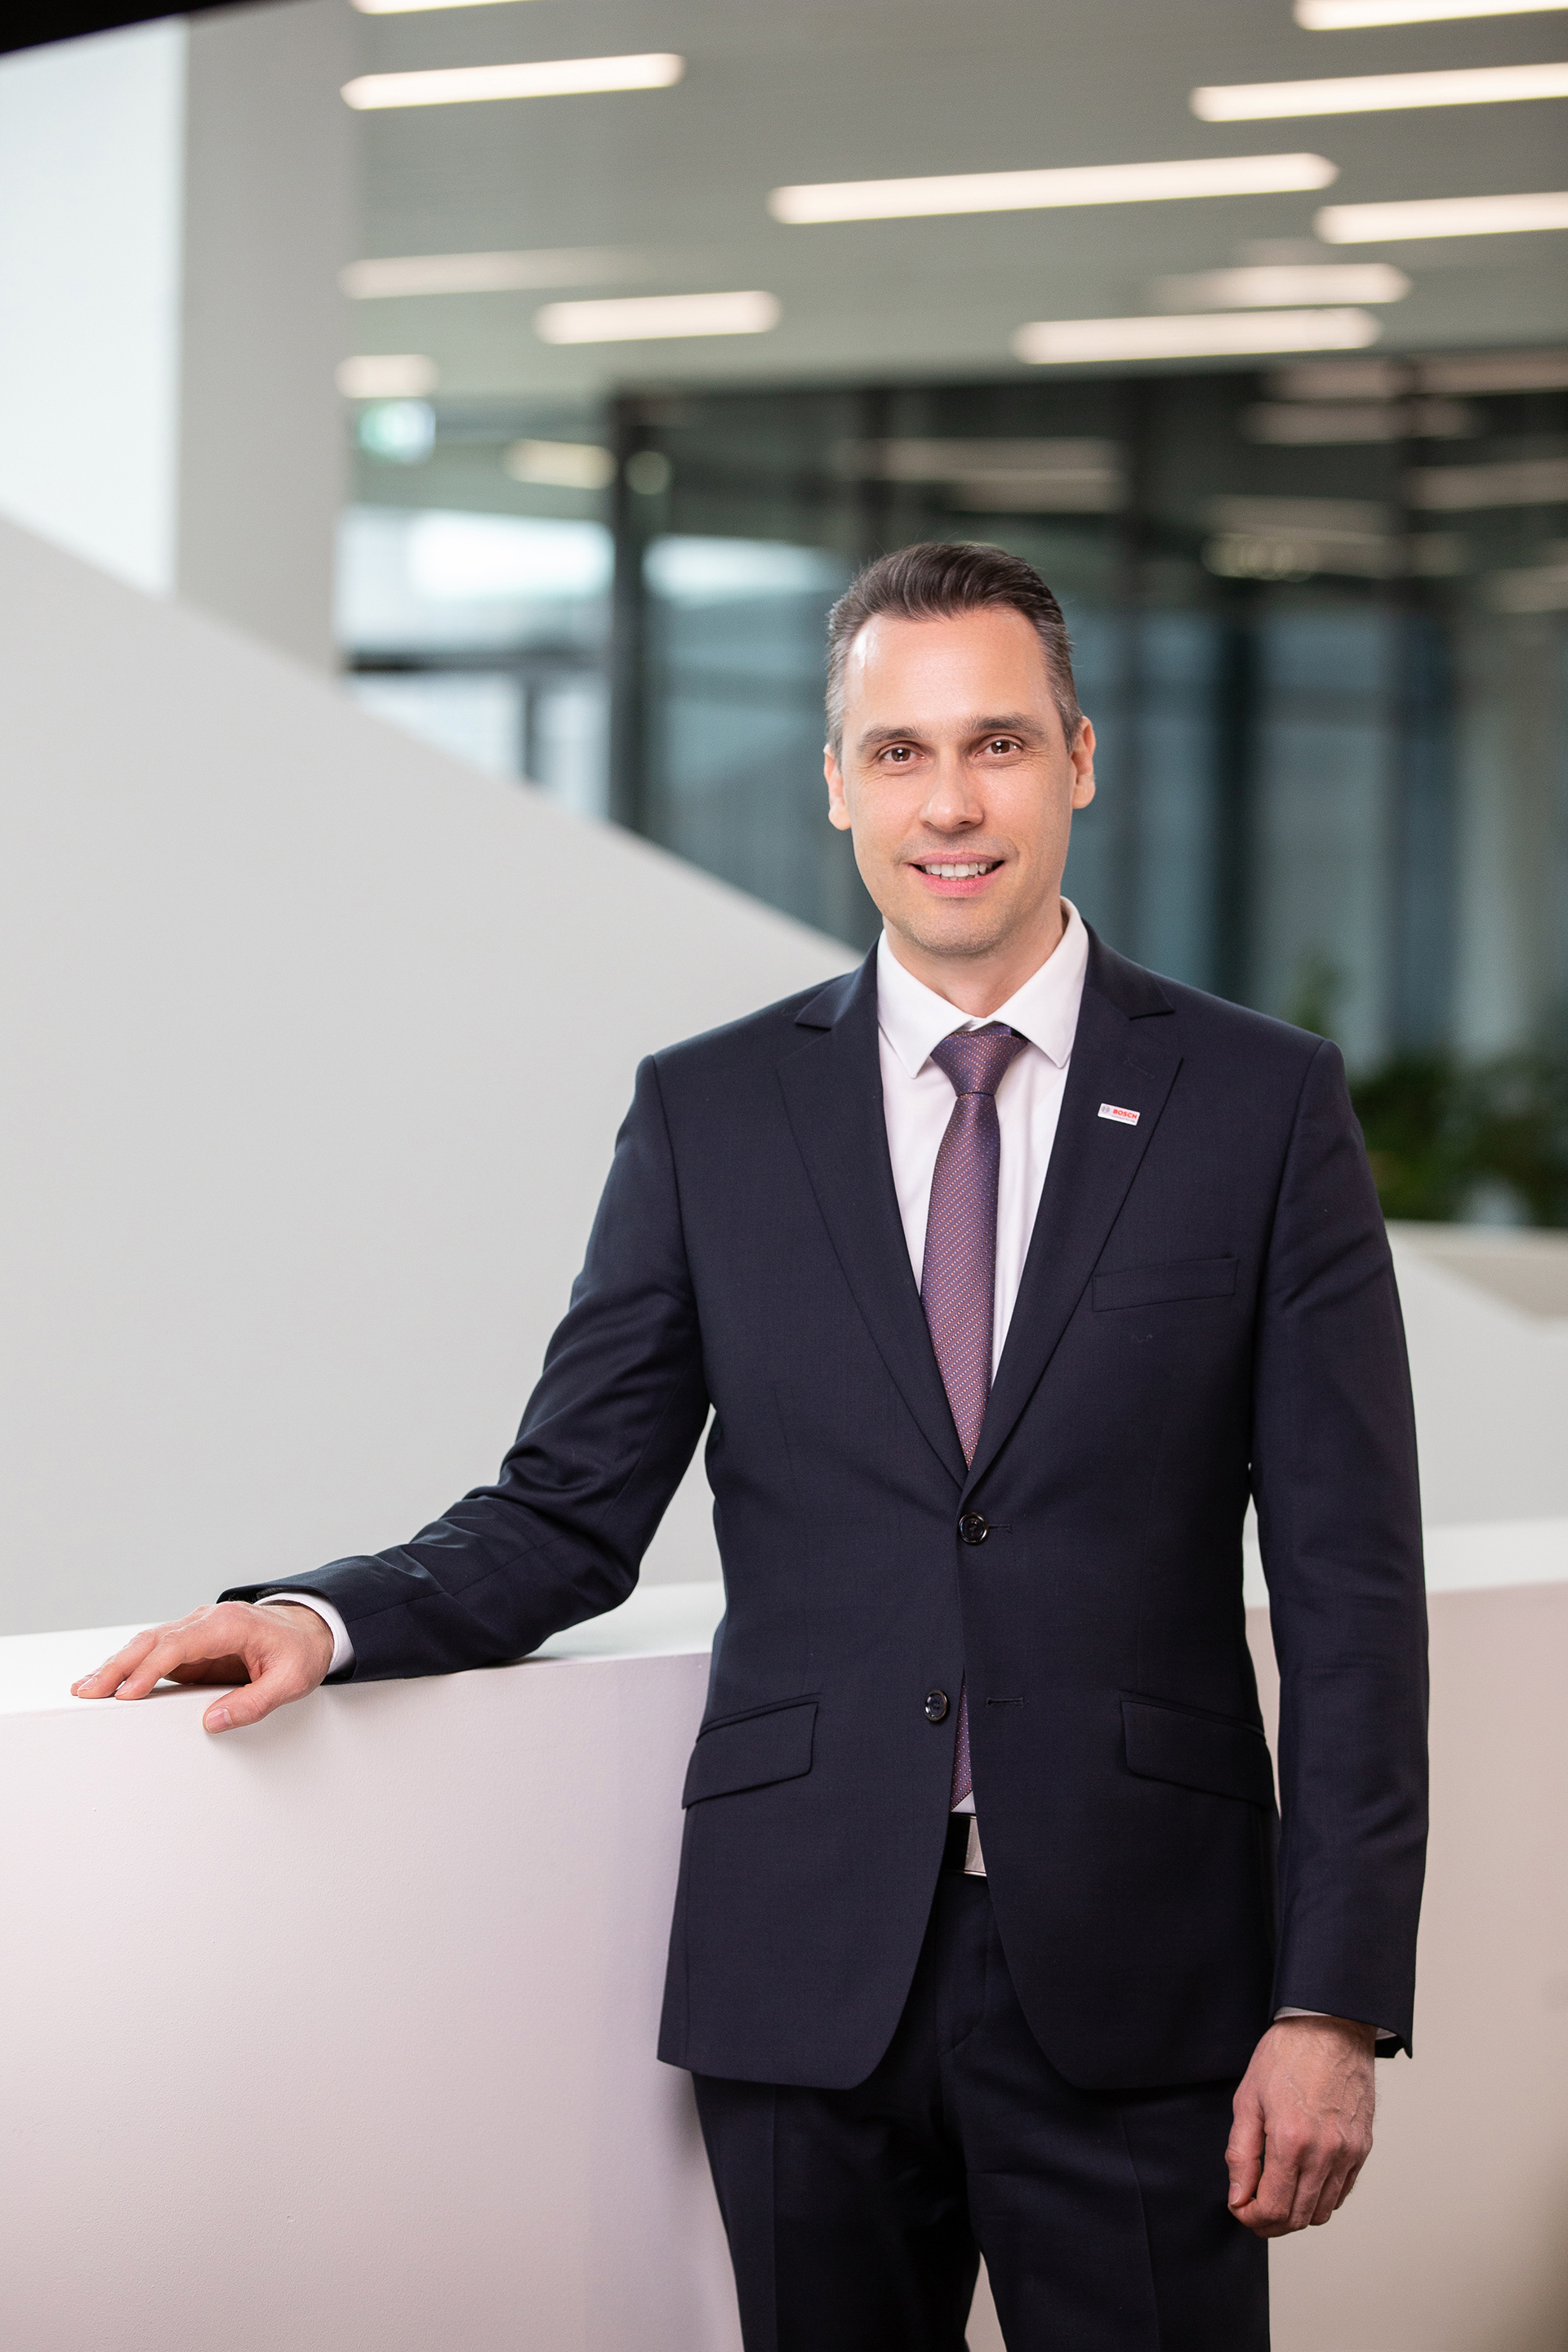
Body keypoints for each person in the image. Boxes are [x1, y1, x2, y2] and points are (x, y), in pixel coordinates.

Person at [74, 542, 1428, 2351]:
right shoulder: (709, 1110)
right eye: (899, 752)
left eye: (999, 744)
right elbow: (567, 1508)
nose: (951, 804)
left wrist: (1334, 2002)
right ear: (837, 784)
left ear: (1081, 760)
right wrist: (319, 1617)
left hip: (1150, 1977)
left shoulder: (1258, 1104)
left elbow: (1350, 1594)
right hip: (802, 1975)